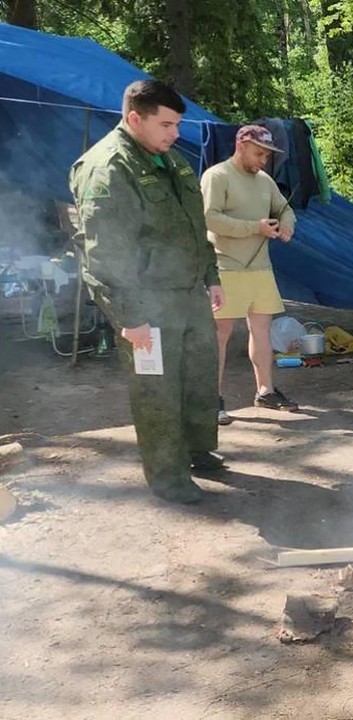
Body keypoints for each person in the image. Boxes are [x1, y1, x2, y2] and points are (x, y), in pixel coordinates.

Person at [69, 79, 224, 504]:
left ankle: (197, 450)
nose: (175, 133)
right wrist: (130, 318)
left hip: (187, 293)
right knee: (156, 390)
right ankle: (168, 477)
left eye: (177, 124)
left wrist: (211, 275)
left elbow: (194, 225)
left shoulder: (168, 160)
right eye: (167, 124)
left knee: (197, 378)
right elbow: (104, 255)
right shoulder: (108, 168)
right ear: (135, 118)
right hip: (146, 303)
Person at [200, 125, 299, 424]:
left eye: (267, 156)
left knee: (262, 330)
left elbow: (285, 209)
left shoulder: (265, 181)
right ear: (241, 145)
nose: (263, 161)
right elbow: (209, 218)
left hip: (260, 266)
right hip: (225, 265)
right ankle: (211, 399)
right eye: (259, 153)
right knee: (220, 334)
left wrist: (287, 226)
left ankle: (265, 391)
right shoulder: (216, 176)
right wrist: (254, 228)